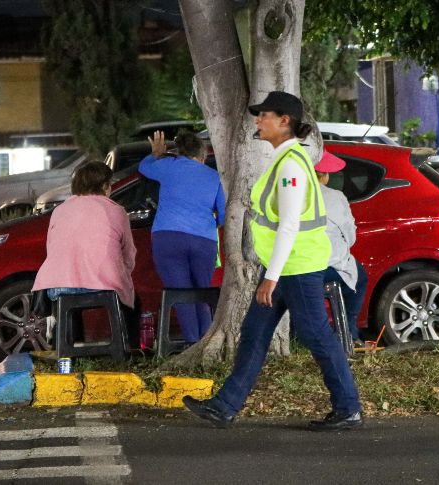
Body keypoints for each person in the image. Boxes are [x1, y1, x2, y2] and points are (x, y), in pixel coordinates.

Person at [183, 91, 363, 431]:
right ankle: (225, 406)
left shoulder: (292, 165)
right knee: (254, 332)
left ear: (284, 121)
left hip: (296, 267)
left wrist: (271, 277)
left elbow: (290, 224)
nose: (257, 120)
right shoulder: (287, 160)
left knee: (316, 336)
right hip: (286, 266)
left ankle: (348, 407)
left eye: (264, 115)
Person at [138, 129, 226, 344]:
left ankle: (191, 344)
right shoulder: (214, 176)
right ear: (202, 156)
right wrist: (206, 226)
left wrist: (156, 154)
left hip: (167, 239)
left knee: (181, 293)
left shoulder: (169, 166)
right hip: (203, 241)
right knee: (202, 293)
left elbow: (143, 167)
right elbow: (223, 215)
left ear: (179, 152)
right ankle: (205, 345)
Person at [32, 161, 137, 311]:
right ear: (103, 186)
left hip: (58, 285)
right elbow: (128, 253)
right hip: (102, 284)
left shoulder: (59, 210)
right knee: (133, 305)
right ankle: (124, 334)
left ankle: (66, 334)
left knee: (67, 312)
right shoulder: (116, 211)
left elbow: (51, 248)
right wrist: (123, 274)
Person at [313, 150, 369, 347]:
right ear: (325, 175)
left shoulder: (294, 194)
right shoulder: (336, 197)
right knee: (359, 279)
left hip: (300, 266)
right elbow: (350, 236)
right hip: (330, 267)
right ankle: (349, 332)